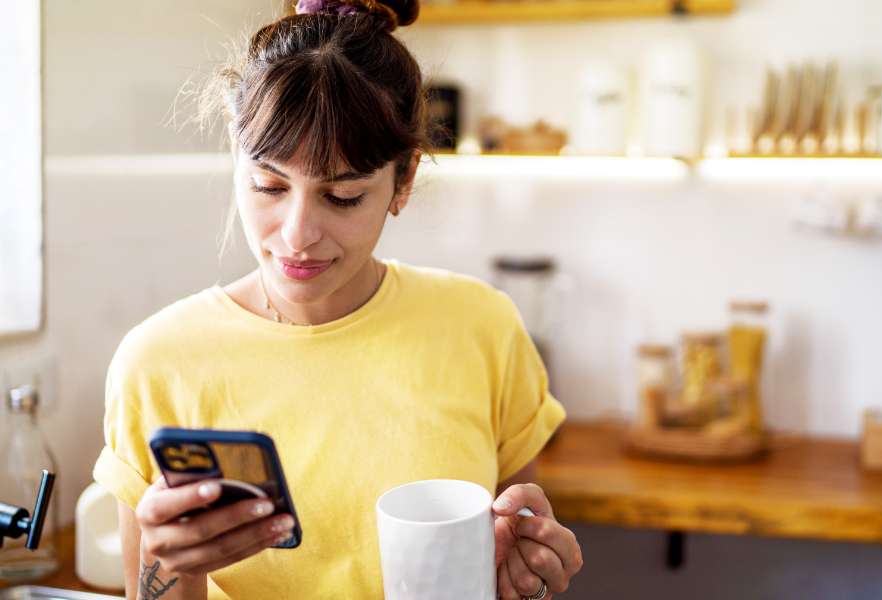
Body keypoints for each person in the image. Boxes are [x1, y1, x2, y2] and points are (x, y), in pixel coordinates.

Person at [92, 1, 583, 598]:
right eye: (268, 185)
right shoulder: (157, 361)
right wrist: (172, 566)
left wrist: (527, 578)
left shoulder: (482, 327)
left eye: (343, 196)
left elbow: (507, 562)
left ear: (403, 181)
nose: (297, 234)